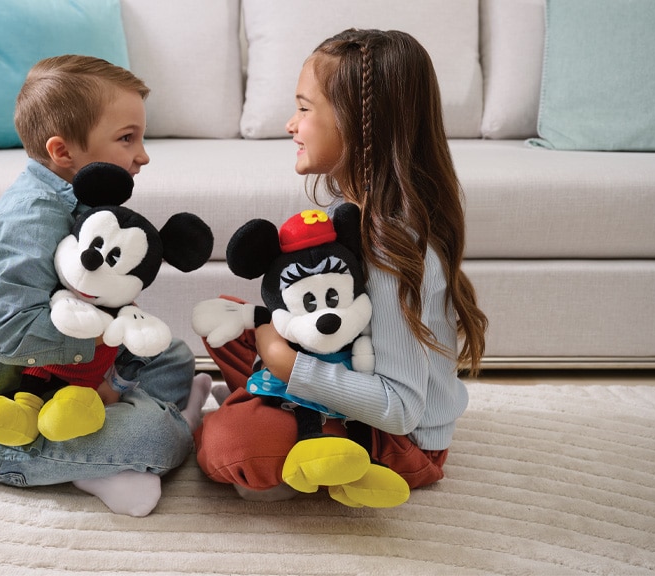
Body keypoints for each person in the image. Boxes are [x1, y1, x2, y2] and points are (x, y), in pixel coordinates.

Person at [193, 29, 488, 504]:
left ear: (357, 125)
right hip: (349, 376)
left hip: (398, 442)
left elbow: (401, 409)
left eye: (304, 108)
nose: (291, 124)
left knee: (228, 445)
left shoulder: (390, 248)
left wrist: (285, 363)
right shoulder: (352, 213)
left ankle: (262, 416)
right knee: (226, 318)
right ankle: (266, 406)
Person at [0, 55, 211, 517]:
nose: (143, 155)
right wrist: (105, 335)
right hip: (15, 429)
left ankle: (113, 435)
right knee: (158, 438)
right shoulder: (31, 217)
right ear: (63, 152)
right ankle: (158, 433)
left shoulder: (78, 198)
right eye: (127, 138)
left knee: (174, 355)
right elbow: (8, 335)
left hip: (71, 380)